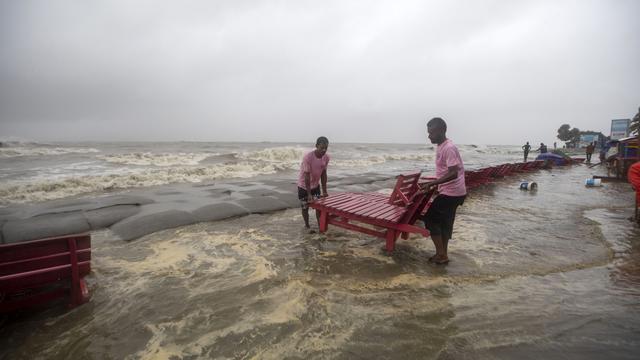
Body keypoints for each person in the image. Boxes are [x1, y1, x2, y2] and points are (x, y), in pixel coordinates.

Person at [419, 117, 467, 265]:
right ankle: (443, 254)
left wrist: (434, 183)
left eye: (431, 133)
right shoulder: (442, 146)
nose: (429, 136)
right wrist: (435, 184)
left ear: (441, 131)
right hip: (455, 192)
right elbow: (444, 171)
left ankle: (441, 254)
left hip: (451, 193)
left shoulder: (449, 148)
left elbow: (453, 173)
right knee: (445, 223)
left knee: (430, 219)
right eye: (428, 133)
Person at [297, 136, 330, 229]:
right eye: (321, 148)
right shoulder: (308, 157)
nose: (324, 150)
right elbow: (307, 176)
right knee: (305, 207)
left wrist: (325, 191)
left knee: (319, 207)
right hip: (304, 186)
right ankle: (307, 225)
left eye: (326, 148)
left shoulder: (326, 157)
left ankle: (320, 226)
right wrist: (309, 194)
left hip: (315, 186)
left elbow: (324, 174)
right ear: (316, 146)